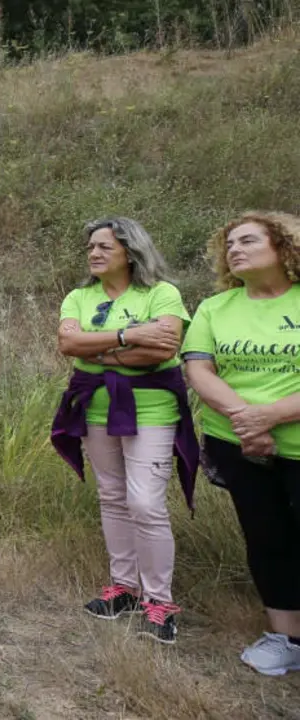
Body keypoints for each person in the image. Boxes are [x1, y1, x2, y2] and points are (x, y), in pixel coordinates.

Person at [50, 217, 196, 645]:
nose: (93, 254)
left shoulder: (161, 293)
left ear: (130, 252)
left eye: (104, 247)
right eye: (90, 247)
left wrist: (98, 352)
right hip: (96, 409)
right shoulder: (79, 296)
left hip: (151, 409)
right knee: (112, 496)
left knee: (145, 502)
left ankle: (159, 601)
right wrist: (129, 335)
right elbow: (68, 345)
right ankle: (124, 588)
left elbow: (163, 350)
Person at [183, 211, 300, 675]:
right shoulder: (216, 308)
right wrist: (247, 421)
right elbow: (199, 370)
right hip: (239, 444)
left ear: (283, 246)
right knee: (266, 536)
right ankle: (286, 638)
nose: (235, 249)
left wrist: (269, 415)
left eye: (248, 240)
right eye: (230, 243)